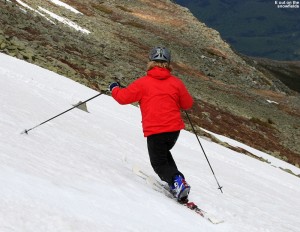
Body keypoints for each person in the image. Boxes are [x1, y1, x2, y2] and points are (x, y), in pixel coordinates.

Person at [109, 46, 194, 202]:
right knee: (164, 154)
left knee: (158, 162)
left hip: (156, 130)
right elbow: (188, 104)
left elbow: (123, 98)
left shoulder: (143, 83)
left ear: (150, 62)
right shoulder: (176, 83)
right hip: (174, 131)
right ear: (168, 63)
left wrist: (114, 88)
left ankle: (177, 181)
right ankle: (177, 181)